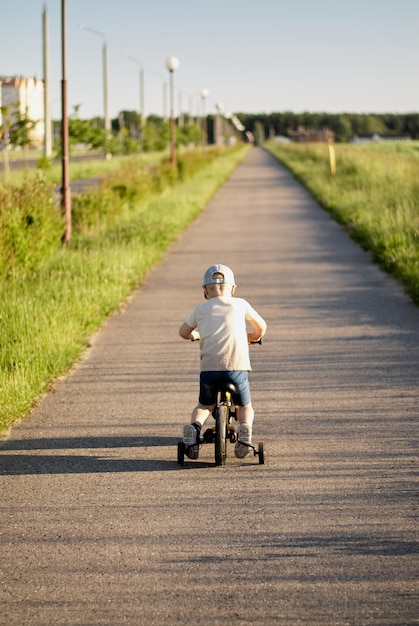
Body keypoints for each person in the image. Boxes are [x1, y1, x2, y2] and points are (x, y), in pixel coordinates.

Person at [179, 264, 267, 459]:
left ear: (204, 290)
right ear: (233, 289)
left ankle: (194, 430)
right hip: (236, 368)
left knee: (204, 405)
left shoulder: (200, 309)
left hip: (209, 370)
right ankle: (245, 430)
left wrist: (196, 335)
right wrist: (252, 337)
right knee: (244, 405)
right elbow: (261, 326)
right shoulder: (241, 304)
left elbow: (183, 332)